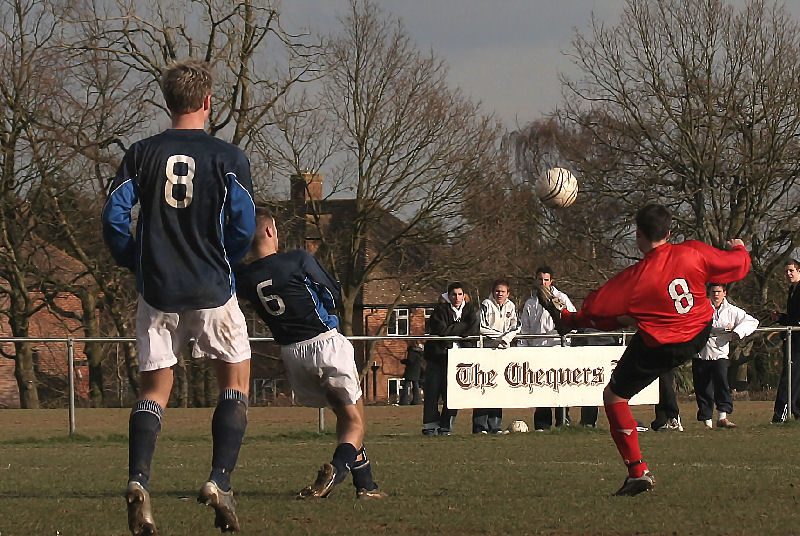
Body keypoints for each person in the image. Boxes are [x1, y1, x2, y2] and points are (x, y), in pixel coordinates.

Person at [102, 59, 256, 534]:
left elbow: (113, 216)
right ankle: (218, 480)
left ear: (167, 102)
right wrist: (222, 258)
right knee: (235, 382)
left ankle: (138, 479)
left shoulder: (141, 153)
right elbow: (245, 225)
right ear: (208, 102)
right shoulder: (229, 157)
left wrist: (137, 260)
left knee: (154, 391)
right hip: (212, 288)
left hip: (158, 290)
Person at [544, 203, 750, 496]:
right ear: (670, 231)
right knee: (638, 312)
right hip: (698, 332)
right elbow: (738, 266)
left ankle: (637, 471)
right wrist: (739, 248)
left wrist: (570, 318)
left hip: (663, 344)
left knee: (614, 395)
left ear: (638, 234)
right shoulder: (693, 252)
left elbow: (599, 311)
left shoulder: (635, 278)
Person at [234, 208, 387, 500]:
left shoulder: (244, 277)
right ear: (269, 232)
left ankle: (367, 486)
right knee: (356, 422)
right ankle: (338, 471)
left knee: (344, 415)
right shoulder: (296, 259)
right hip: (324, 343)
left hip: (292, 354)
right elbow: (332, 294)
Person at [518, 266, 576, 430]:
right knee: (541, 389)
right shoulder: (530, 303)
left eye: (546, 279)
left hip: (558, 349)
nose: (543, 282)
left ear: (551, 281)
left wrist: (567, 343)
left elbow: (572, 319)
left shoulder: (560, 297)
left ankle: (563, 420)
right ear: (536, 281)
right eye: (540, 279)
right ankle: (542, 424)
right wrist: (524, 352)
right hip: (538, 352)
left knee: (560, 386)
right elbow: (525, 330)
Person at [693, 283, 758, 428]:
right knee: (703, 387)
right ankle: (707, 421)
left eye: (718, 292)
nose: (716, 295)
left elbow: (752, 321)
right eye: (713, 292)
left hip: (721, 353)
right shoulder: (699, 308)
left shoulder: (732, 311)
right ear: (708, 293)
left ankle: (722, 417)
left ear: (724, 293)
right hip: (700, 353)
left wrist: (737, 332)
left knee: (722, 383)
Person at [422, 282, 479, 436]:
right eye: (454, 294)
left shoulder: (470, 309)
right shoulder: (440, 310)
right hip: (438, 356)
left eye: (460, 294)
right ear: (448, 295)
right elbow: (441, 331)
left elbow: (472, 329)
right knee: (432, 392)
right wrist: (461, 328)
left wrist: (454, 330)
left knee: (453, 394)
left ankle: (446, 427)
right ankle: (430, 426)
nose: (457, 297)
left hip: (460, 358)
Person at [474, 279, 518, 434]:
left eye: (503, 291)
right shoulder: (486, 304)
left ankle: (495, 426)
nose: (500, 294)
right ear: (493, 292)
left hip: (503, 350)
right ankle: (480, 426)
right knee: (484, 387)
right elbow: (481, 326)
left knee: (498, 388)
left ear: (508, 293)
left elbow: (516, 326)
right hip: (487, 349)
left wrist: (506, 339)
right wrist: (500, 337)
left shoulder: (511, 306)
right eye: (497, 291)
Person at [770, 259, 800, 423]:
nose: (788, 274)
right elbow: (794, 318)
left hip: (797, 341)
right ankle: (797, 411)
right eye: (786, 272)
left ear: (799, 271)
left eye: (791, 271)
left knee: (789, 377)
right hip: (792, 339)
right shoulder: (792, 290)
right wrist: (781, 318)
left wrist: (789, 324)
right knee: (794, 376)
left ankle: (780, 415)